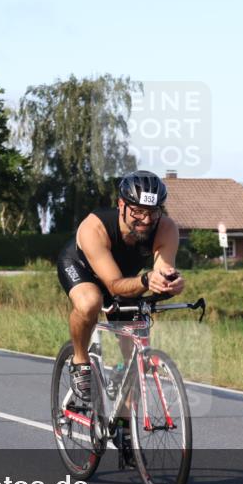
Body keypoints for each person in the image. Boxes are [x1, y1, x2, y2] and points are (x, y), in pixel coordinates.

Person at [56, 170, 185, 408]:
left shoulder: (166, 228)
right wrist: (147, 281)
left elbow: (163, 268)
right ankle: (80, 359)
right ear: (121, 205)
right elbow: (114, 286)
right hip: (82, 268)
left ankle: (125, 427)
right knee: (90, 303)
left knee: (136, 359)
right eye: (137, 211)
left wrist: (171, 282)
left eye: (153, 213)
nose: (146, 220)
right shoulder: (95, 226)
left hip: (125, 280)